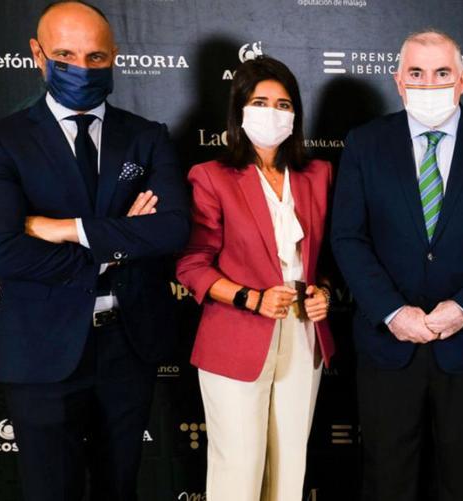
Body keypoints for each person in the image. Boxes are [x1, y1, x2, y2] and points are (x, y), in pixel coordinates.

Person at [0, 1, 189, 499]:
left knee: (119, 486)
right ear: (37, 54)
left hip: (127, 347)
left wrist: (67, 229)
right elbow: (4, 253)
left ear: (114, 58)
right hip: (41, 350)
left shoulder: (146, 138)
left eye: (95, 57)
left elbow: (172, 231)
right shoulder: (1, 141)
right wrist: (118, 239)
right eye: (64, 54)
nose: (80, 70)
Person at [330, 30, 463, 501]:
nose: (429, 83)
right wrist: (392, 312)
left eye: (442, 73)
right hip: (388, 345)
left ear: (462, 80)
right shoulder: (365, 144)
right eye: (417, 74)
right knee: (386, 478)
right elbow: (348, 238)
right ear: (398, 81)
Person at [176, 56, 334, 500]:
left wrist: (321, 292)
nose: (273, 112)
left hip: (303, 336)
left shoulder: (318, 174)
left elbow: (319, 258)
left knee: (289, 470)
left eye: (284, 104)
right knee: (239, 470)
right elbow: (192, 265)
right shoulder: (211, 177)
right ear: (240, 110)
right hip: (236, 335)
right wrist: (251, 298)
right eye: (261, 101)